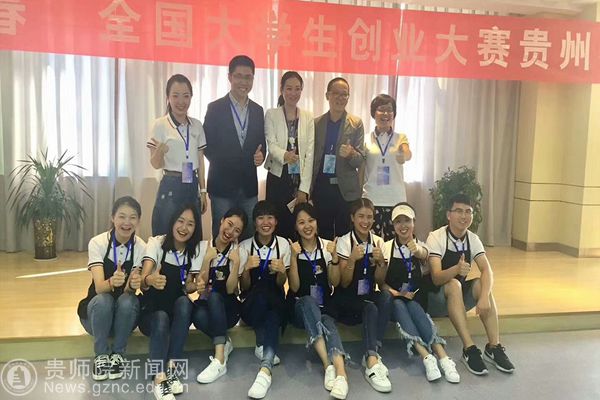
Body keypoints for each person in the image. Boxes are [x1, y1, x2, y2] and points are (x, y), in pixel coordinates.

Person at [426, 193, 515, 376]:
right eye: (459, 211)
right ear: (448, 215)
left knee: (482, 285)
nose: (464, 216)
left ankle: (494, 346)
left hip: (456, 299)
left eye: (468, 212)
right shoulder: (436, 237)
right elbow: (435, 278)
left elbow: (487, 270)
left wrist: (484, 297)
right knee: (454, 284)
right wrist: (456, 269)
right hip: (435, 299)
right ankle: (469, 348)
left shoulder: (472, 239)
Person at [375, 203, 460, 383]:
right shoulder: (386, 247)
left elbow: (425, 255)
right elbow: (381, 285)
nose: (403, 225)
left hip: (416, 299)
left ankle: (443, 358)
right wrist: (398, 293)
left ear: (414, 222)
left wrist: (417, 251)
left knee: (413, 307)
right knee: (399, 304)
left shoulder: (422, 245)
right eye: (398, 221)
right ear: (393, 225)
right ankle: (427, 357)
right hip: (395, 300)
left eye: (407, 220)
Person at [139, 204, 206, 400]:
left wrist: (197, 286)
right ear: (172, 222)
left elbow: (188, 287)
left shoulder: (194, 250)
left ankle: (171, 367)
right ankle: (158, 378)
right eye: (180, 221)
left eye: (190, 224)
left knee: (185, 303)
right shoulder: (156, 243)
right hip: (152, 312)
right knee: (160, 317)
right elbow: (143, 282)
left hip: (175, 314)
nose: (184, 228)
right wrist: (150, 279)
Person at [77, 196, 146, 381]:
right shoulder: (97, 243)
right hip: (96, 318)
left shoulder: (141, 247)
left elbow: (129, 293)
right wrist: (111, 282)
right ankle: (100, 355)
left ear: (138, 221)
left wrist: (132, 284)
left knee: (128, 300)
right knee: (104, 300)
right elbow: (99, 287)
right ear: (112, 218)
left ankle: (118, 354)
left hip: (124, 321)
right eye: (121, 216)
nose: (126, 222)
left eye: (132, 217)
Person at [287, 203, 349, 399]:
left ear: (317, 222)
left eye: (311, 220)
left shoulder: (327, 246)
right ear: (295, 226)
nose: (307, 226)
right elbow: (294, 287)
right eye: (301, 222)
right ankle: (327, 364)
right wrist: (293, 258)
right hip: (301, 307)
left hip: (324, 306)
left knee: (328, 322)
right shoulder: (293, 249)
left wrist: (335, 258)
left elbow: (335, 282)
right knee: (307, 301)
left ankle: (341, 374)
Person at [329, 198, 391, 393]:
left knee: (386, 297)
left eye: (369, 217)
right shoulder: (344, 241)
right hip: (347, 297)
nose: (365, 221)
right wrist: (352, 260)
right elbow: (343, 283)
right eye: (361, 216)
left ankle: (373, 351)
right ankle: (372, 361)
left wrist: (381, 263)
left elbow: (380, 281)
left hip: (368, 293)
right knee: (370, 307)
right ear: (352, 218)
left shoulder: (378, 242)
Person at [204, 55, 266, 240]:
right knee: (222, 235)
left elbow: (261, 143)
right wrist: (229, 162)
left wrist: (261, 156)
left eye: (248, 77)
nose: (243, 82)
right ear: (230, 77)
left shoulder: (257, 110)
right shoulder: (215, 108)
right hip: (222, 186)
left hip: (248, 187)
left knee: (249, 235)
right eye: (239, 76)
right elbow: (207, 146)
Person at [239, 200, 291, 399]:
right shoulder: (245, 246)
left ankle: (265, 369)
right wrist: (246, 269)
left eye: (270, 217)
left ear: (276, 222)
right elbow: (243, 288)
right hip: (251, 305)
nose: (265, 222)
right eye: (261, 218)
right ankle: (264, 348)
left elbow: (281, 284)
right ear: (255, 222)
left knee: (273, 311)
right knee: (264, 297)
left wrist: (281, 272)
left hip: (274, 302)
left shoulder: (283, 244)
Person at [147, 74, 207, 237]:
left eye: (186, 96)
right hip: (171, 183)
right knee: (165, 231)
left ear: (191, 97)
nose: (181, 101)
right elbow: (155, 164)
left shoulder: (196, 125)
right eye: (175, 96)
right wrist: (160, 151)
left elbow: (200, 160)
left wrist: (203, 191)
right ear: (168, 97)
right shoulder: (159, 125)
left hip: (192, 182)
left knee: (192, 233)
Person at [193, 207, 248, 383]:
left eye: (237, 230)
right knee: (197, 315)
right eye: (229, 224)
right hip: (207, 303)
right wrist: (206, 260)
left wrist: (236, 264)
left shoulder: (239, 252)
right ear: (221, 220)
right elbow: (201, 288)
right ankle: (224, 342)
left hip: (229, 308)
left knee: (216, 296)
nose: (230, 231)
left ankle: (219, 359)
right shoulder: (202, 247)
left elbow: (231, 289)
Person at [310, 77, 365, 240]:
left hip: (346, 190)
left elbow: (360, 159)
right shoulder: (316, 123)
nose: (340, 98)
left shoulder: (356, 123)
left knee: (345, 236)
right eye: (336, 93)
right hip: (321, 187)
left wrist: (351, 154)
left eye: (344, 94)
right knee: (323, 234)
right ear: (327, 95)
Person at [264, 71, 314, 238]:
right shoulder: (272, 114)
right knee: (276, 223)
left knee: (297, 225)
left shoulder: (308, 117)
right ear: (282, 89)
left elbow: (309, 154)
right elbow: (271, 144)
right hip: (278, 177)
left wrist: (304, 188)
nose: (293, 93)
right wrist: (285, 155)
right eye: (289, 88)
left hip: (298, 180)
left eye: (297, 89)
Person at [362, 94, 412, 241]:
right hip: (371, 198)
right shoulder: (366, 138)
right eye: (381, 109)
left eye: (389, 110)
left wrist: (403, 155)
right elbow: (362, 168)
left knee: (395, 242)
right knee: (371, 242)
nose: (385, 114)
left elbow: (407, 153)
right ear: (373, 113)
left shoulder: (400, 137)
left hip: (395, 199)